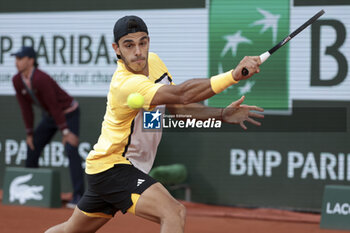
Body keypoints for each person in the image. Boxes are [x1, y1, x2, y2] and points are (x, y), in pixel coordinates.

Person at [45, 15, 264, 233]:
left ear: (148, 41)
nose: (138, 51)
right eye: (129, 45)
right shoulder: (126, 84)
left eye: (143, 42)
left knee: (70, 231)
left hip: (109, 170)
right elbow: (182, 94)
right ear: (116, 49)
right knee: (173, 212)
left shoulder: (155, 62)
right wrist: (233, 76)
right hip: (114, 167)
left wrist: (222, 114)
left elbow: (179, 109)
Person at [11, 46, 85, 208]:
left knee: (71, 149)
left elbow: (54, 105)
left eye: (20, 58)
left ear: (30, 61)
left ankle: (79, 195)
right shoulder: (17, 80)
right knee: (33, 146)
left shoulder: (41, 78)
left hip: (69, 113)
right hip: (52, 116)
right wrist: (29, 133)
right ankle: (32, 189)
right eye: (15, 59)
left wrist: (66, 132)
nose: (16, 62)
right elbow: (26, 108)